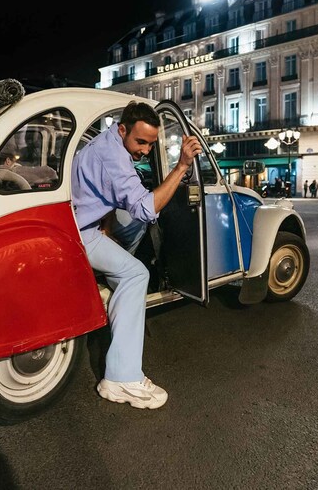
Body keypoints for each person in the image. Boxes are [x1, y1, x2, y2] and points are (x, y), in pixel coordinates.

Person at [71, 100, 202, 410]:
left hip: (83, 221)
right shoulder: (115, 159)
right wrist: (182, 166)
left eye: (151, 144)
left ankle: (114, 285)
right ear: (122, 130)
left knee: (133, 227)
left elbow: (101, 191)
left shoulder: (105, 141)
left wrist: (107, 223)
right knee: (137, 273)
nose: (144, 150)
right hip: (79, 232)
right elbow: (146, 207)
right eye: (140, 142)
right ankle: (120, 377)